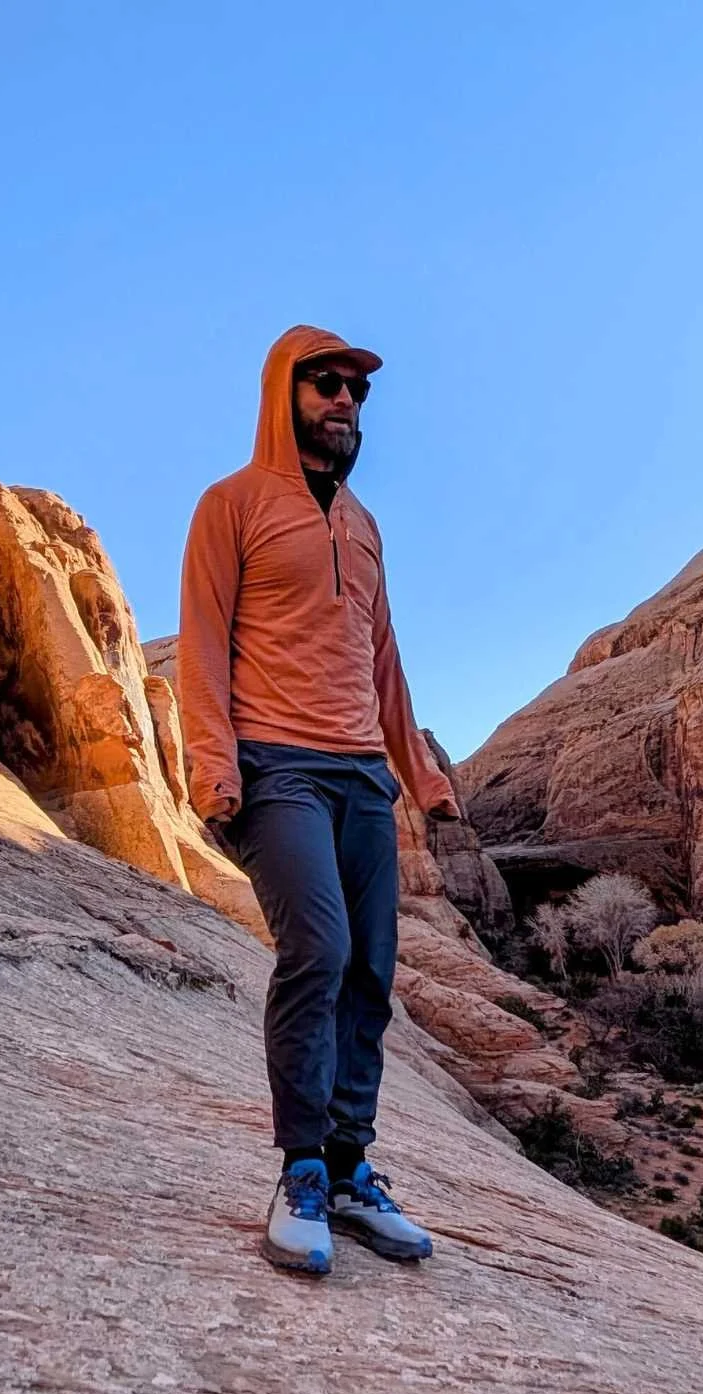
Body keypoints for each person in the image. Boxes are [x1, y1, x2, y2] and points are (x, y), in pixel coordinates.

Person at [176, 325, 459, 1275]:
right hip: (277, 767)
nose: (343, 400)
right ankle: (298, 1170)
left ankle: (348, 1169)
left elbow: (383, 662)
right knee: (321, 949)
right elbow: (204, 642)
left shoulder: (366, 526)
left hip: (360, 779)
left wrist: (420, 775)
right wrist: (214, 769)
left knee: (373, 969)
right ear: (283, 392)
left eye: (356, 390)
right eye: (325, 384)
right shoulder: (233, 505)